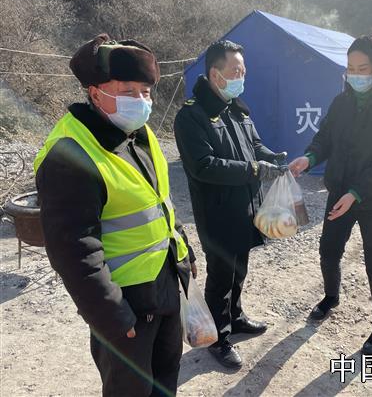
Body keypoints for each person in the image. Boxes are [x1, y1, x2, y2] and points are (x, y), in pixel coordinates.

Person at [34, 34, 197, 396]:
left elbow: (159, 201)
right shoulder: (70, 154)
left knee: (165, 380)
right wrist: (113, 317)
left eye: (145, 92)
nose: (140, 101)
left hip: (165, 285)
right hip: (126, 306)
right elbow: (74, 251)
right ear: (95, 93)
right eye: (128, 91)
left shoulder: (138, 134)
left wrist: (184, 252)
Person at [289, 34, 372, 355]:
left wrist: (357, 193)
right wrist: (309, 158)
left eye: (363, 68)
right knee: (329, 249)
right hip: (341, 189)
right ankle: (331, 297)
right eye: (351, 68)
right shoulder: (342, 103)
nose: (355, 75)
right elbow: (325, 138)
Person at [174, 40, 287, 369]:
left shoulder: (236, 109)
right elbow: (203, 166)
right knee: (221, 277)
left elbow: (255, 146)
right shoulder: (192, 116)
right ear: (215, 74)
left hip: (247, 207)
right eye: (236, 71)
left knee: (239, 269)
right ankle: (218, 338)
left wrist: (273, 159)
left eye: (243, 71)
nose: (242, 77)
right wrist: (254, 170)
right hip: (218, 213)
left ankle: (235, 317)